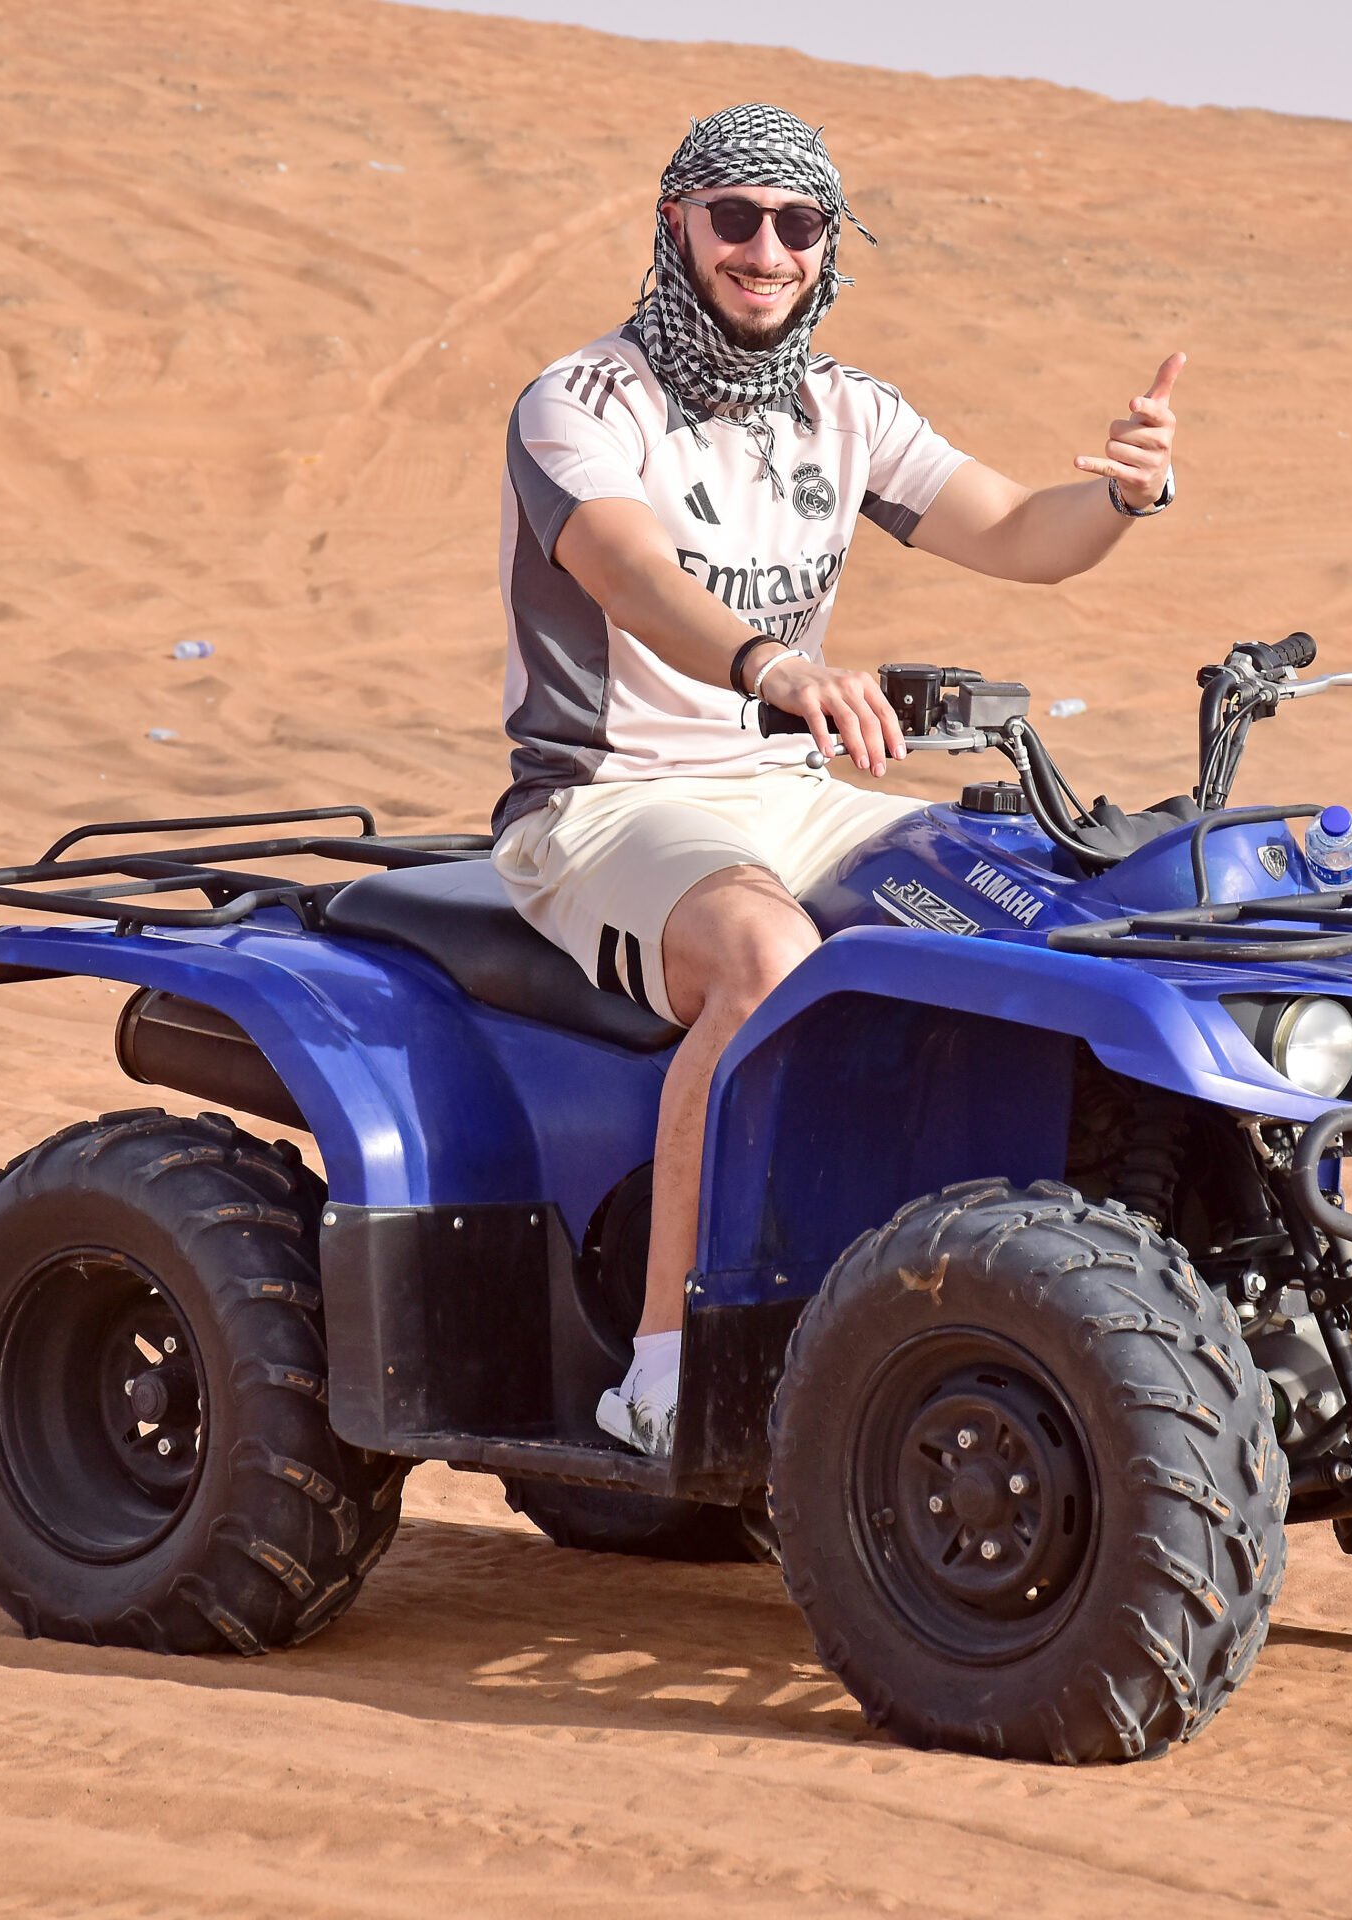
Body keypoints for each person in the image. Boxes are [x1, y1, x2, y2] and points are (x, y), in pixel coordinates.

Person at [491, 102, 1182, 1455]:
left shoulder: (842, 412)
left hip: (791, 791)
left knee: (1027, 903)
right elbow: (629, 575)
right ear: (676, 221)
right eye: (736, 217)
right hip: (609, 800)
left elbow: (1021, 536)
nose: (766, 249)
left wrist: (1118, 496)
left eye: (797, 224)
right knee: (761, 952)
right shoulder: (580, 404)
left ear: (826, 247)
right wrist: (774, 669)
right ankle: (663, 1370)